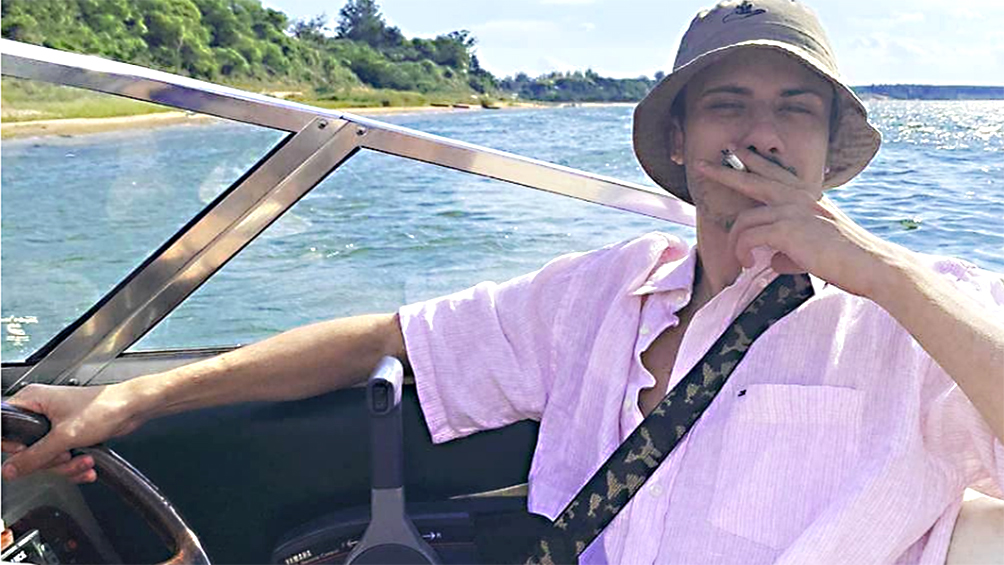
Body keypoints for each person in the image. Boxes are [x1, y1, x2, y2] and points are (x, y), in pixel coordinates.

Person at [3, 0, 1003, 563]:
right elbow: (385, 338)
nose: (760, 133)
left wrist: (878, 268)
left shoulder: (918, 310)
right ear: (680, 142)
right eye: (726, 104)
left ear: (828, 149)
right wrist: (130, 398)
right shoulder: (602, 292)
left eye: (795, 109)